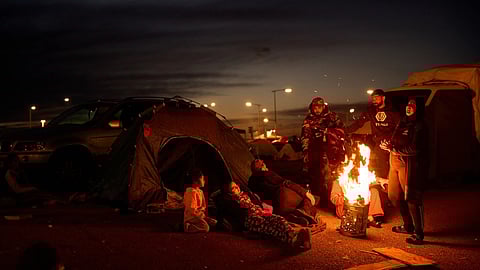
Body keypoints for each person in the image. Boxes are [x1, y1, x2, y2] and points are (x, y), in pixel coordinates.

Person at [380, 98, 428, 245]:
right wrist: (388, 143)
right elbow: (395, 139)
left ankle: (418, 234)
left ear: (417, 109)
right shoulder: (403, 122)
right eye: (408, 105)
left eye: (412, 106)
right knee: (395, 195)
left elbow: (415, 149)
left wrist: (394, 149)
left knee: (412, 198)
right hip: (394, 162)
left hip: (408, 163)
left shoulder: (419, 125)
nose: (409, 108)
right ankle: (408, 226)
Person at [214, 181, 312, 251]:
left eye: (237, 186)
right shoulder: (231, 201)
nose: (237, 188)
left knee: (278, 219)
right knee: (270, 227)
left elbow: (257, 204)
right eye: (233, 188)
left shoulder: (245, 195)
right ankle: (294, 240)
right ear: (229, 193)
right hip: (250, 218)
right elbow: (228, 213)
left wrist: (261, 208)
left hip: (260, 213)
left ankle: (294, 235)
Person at [247, 159, 324, 227]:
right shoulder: (265, 173)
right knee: (307, 198)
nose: (264, 163)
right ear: (262, 167)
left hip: (275, 208)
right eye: (262, 163)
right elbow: (285, 182)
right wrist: (305, 193)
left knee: (302, 202)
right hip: (281, 197)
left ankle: (293, 216)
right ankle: (304, 210)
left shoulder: (250, 182)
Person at [345, 89, 402, 180]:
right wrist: (345, 130)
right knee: (382, 168)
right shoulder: (371, 111)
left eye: (376, 98)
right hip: (379, 144)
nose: (374, 100)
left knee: (394, 169)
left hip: (392, 145)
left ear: (383, 98)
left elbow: (399, 127)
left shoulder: (393, 111)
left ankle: (394, 187)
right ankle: (384, 185)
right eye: (373, 98)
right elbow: (359, 123)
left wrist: (393, 141)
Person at [301, 97, 344, 208]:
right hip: (315, 150)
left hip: (332, 151)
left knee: (330, 176)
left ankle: (331, 200)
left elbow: (342, 131)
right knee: (315, 176)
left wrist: (328, 132)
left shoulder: (332, 117)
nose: (317, 109)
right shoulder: (309, 119)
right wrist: (305, 151)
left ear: (323, 107)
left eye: (319, 107)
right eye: (315, 107)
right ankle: (318, 200)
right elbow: (305, 136)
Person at [183, 169, 217, 233]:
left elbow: (203, 206)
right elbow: (192, 210)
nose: (204, 181)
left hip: (199, 215)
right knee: (205, 228)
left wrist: (205, 217)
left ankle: (196, 224)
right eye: (202, 179)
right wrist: (204, 217)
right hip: (191, 216)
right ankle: (186, 226)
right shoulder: (191, 192)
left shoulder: (200, 191)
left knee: (214, 223)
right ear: (195, 181)